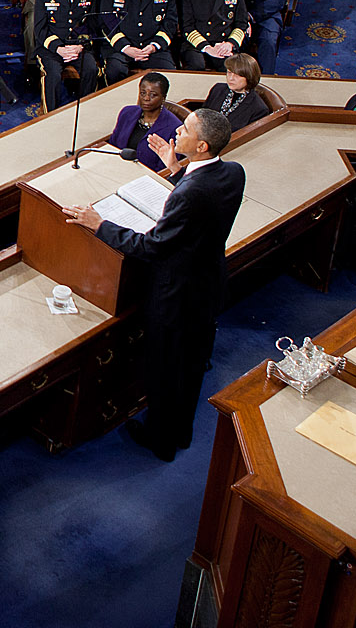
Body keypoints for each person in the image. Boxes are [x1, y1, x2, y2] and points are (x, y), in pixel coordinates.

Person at [62, 109, 243, 461]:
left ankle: (161, 441)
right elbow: (202, 203)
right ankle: (182, 432)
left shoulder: (190, 194)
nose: (178, 129)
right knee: (192, 367)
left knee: (165, 369)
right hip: (209, 284)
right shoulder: (234, 172)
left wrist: (99, 224)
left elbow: (152, 246)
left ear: (201, 145)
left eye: (186, 129)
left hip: (177, 295)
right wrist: (175, 167)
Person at [201, 53, 271, 131]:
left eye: (237, 75)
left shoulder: (259, 109)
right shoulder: (217, 89)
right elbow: (202, 117)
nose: (231, 78)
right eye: (229, 72)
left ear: (249, 76)